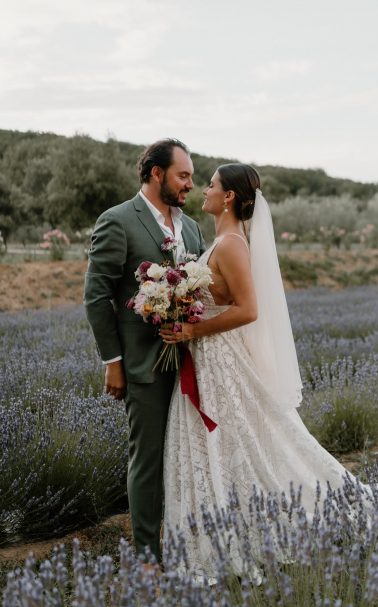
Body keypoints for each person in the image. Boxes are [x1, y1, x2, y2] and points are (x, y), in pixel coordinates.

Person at [160, 163, 378, 578]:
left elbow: (248, 309)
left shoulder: (233, 243)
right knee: (234, 443)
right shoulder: (222, 239)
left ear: (230, 197)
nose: (205, 189)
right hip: (209, 359)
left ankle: (332, 510)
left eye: (212, 185)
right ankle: (223, 530)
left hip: (222, 358)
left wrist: (191, 327)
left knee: (252, 440)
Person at [84, 139, 205, 561]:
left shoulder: (190, 227)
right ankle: (147, 557)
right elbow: (97, 296)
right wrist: (112, 362)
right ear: (157, 173)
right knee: (148, 459)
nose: (190, 184)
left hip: (190, 361)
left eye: (190, 176)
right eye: (183, 175)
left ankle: (184, 543)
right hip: (142, 365)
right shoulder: (117, 220)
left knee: (187, 456)